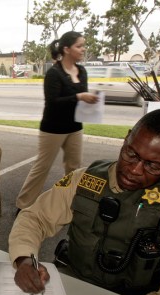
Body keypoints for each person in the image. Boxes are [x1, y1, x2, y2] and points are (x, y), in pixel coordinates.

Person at [10, 109, 160, 295]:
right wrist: (24, 259)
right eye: (131, 154)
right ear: (127, 138)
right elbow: (35, 217)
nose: (134, 170)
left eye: (153, 166)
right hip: (72, 287)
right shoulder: (84, 181)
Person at [15, 31, 99, 212]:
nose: (83, 49)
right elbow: (52, 102)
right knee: (42, 167)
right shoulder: (54, 73)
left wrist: (90, 101)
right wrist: (79, 96)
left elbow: (81, 100)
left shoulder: (82, 71)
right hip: (53, 128)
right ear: (67, 49)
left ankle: (70, 203)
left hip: (75, 127)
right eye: (79, 46)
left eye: (83, 45)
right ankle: (24, 205)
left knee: (74, 167)